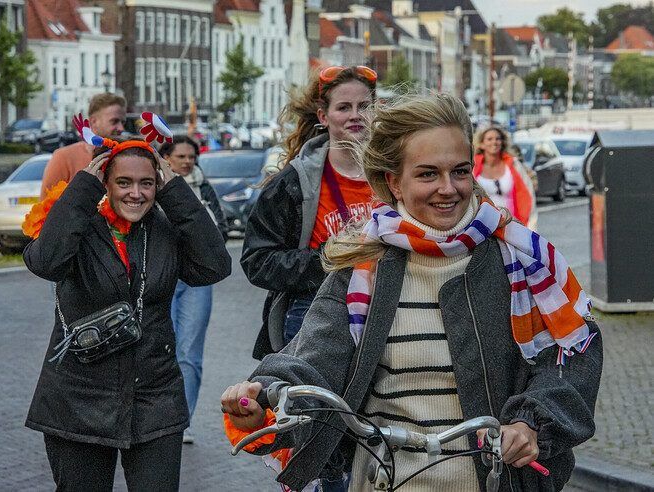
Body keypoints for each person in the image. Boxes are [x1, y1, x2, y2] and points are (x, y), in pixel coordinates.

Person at [221, 93, 602, 491]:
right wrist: (264, 397)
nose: (448, 188)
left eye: (459, 171)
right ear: (393, 182)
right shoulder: (362, 269)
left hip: (493, 481)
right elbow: (314, 358)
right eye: (427, 174)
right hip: (386, 480)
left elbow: (570, 354)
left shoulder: (521, 261)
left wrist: (531, 422)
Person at [22, 117, 231, 491]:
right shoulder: (80, 229)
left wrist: (174, 190)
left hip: (155, 395)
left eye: (146, 183)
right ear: (106, 182)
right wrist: (84, 184)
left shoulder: (164, 230)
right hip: (79, 396)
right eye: (123, 182)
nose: (136, 193)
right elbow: (47, 262)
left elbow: (214, 265)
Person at [241, 66, 378, 361]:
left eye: (364, 106)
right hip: (316, 309)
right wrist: (329, 260)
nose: (355, 115)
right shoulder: (294, 183)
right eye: (344, 107)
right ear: (323, 116)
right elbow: (257, 260)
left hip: (384, 306)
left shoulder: (397, 175)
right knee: (312, 404)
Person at [159, 135, 228, 445]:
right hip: (163, 277)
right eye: (181, 156)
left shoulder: (203, 187)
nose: (187, 162)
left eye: (191, 157)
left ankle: (180, 421)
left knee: (190, 353)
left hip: (196, 281)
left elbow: (222, 230)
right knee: (162, 347)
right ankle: (156, 416)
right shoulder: (153, 187)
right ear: (166, 159)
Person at [40, 93, 126, 198]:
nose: (121, 128)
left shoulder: (125, 156)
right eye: (114, 121)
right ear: (94, 122)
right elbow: (45, 207)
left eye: (123, 122)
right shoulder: (64, 157)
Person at [473, 126, 538, 230]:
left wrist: (531, 227)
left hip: (512, 225)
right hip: (482, 227)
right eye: (489, 139)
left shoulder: (514, 165)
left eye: (498, 139)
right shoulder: (473, 167)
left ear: (502, 142)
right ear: (481, 144)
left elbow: (528, 194)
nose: (494, 142)